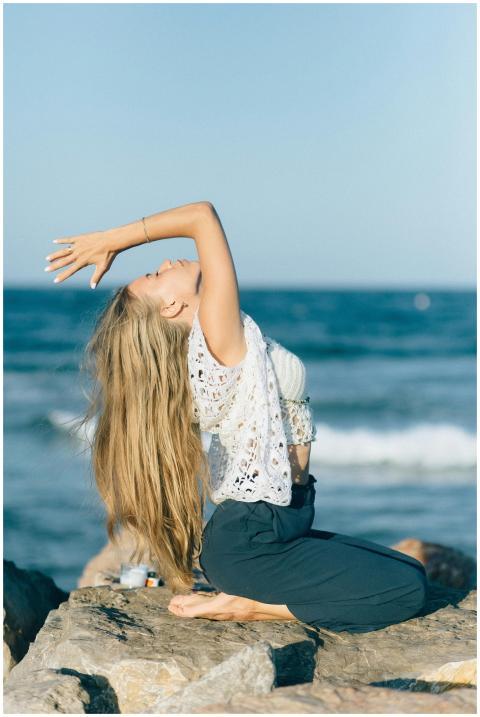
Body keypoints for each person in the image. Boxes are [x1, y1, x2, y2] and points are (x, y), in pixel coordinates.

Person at [45, 201, 428, 631]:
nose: (167, 261)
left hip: (278, 521)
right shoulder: (217, 337)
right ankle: (249, 606)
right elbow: (202, 217)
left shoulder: (213, 344)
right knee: (405, 588)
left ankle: (248, 593)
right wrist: (113, 240)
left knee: (408, 568)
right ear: (171, 307)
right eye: (156, 275)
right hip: (251, 538)